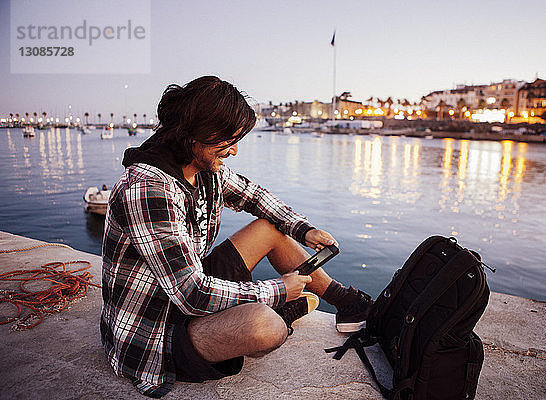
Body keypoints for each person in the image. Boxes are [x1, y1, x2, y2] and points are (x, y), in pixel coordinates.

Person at [100, 76, 373, 397]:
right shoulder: (149, 190)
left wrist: (305, 229)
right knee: (264, 327)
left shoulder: (202, 167)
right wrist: (278, 290)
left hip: (186, 289)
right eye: (227, 140)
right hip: (156, 328)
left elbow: (255, 196)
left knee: (269, 228)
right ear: (193, 135)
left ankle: (349, 303)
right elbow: (191, 294)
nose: (234, 150)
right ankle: (283, 313)